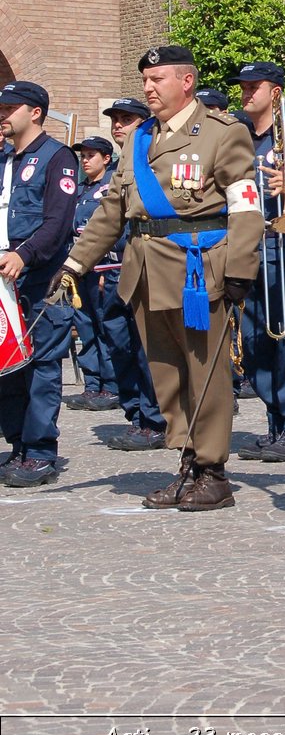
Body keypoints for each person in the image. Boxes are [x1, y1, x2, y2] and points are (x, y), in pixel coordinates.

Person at [50, 46, 264, 511]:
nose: (148, 87)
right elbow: (112, 211)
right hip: (145, 271)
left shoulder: (221, 133)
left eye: (158, 79)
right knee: (167, 377)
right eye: (145, 79)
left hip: (198, 272)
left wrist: (240, 269)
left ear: (186, 82)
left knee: (205, 375)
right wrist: (74, 264)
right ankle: (187, 463)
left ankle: (213, 472)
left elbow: (246, 206)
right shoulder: (139, 139)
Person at [227, 61, 285, 463]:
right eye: (243, 88)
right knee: (257, 342)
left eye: (253, 87)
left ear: (275, 91)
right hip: (251, 249)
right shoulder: (239, 137)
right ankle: (274, 422)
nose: (246, 95)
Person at [0, 81, 78, 486]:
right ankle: (18, 444)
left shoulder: (56, 157)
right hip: (3, 284)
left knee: (42, 366)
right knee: (7, 366)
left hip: (38, 279)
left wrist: (23, 255)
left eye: (11, 107)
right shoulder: (3, 160)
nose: (3, 114)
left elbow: (57, 223)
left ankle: (41, 451)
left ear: (35, 112)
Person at [96, 99, 166, 450]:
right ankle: (135, 412)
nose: (119, 126)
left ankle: (155, 419)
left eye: (127, 120)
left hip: (147, 268)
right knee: (119, 345)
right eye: (115, 121)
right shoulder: (115, 174)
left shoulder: (152, 164)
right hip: (113, 273)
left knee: (146, 347)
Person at [65, 137, 122, 412]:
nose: (85, 160)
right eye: (83, 156)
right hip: (80, 270)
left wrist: (101, 268)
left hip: (103, 268)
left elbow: (110, 230)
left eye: (91, 155)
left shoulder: (110, 187)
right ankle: (92, 382)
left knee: (105, 327)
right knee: (85, 327)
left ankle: (111, 385)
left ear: (106, 158)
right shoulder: (80, 190)